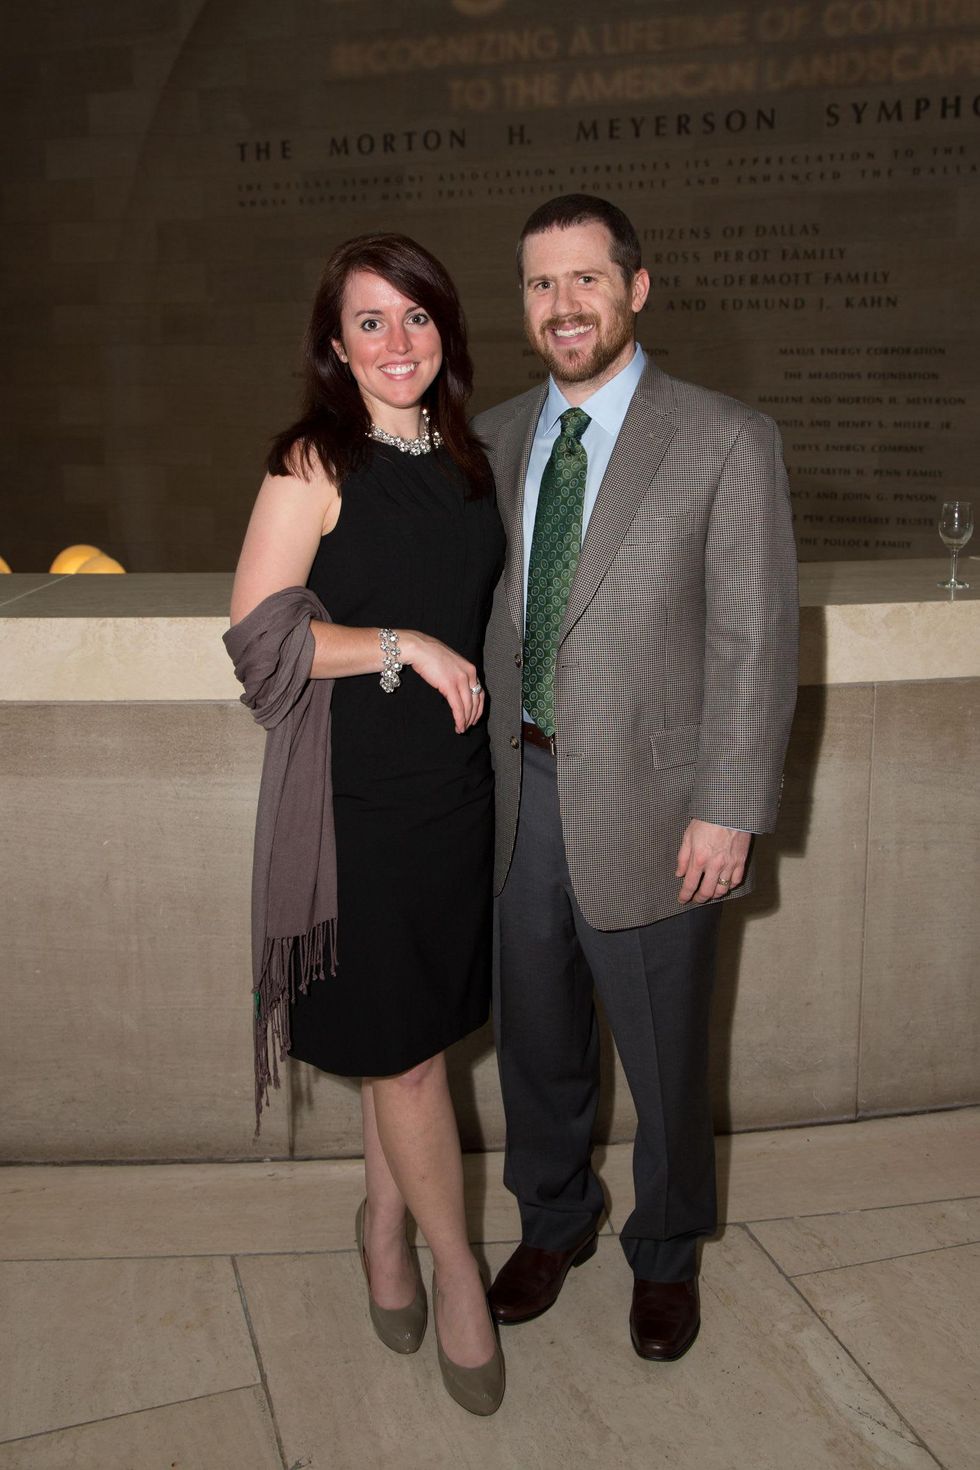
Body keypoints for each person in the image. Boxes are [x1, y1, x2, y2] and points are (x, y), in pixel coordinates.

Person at [474, 195, 798, 1361]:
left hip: (665, 810)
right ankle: (552, 1221)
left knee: (664, 1055)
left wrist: (729, 806)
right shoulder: (494, 434)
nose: (562, 306)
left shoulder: (721, 438)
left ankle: (663, 1255)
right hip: (517, 798)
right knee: (536, 1038)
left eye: (584, 281)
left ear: (634, 288)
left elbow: (754, 639)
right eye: (538, 285)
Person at [228, 233, 505, 1415]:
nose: (397, 342)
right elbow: (258, 640)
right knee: (400, 1060)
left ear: (444, 328)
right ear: (334, 349)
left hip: (457, 800)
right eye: (370, 323)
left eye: (415, 317)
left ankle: (382, 1222)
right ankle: (455, 1274)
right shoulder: (312, 461)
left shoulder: (465, 460)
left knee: (419, 1044)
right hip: (356, 806)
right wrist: (405, 644)